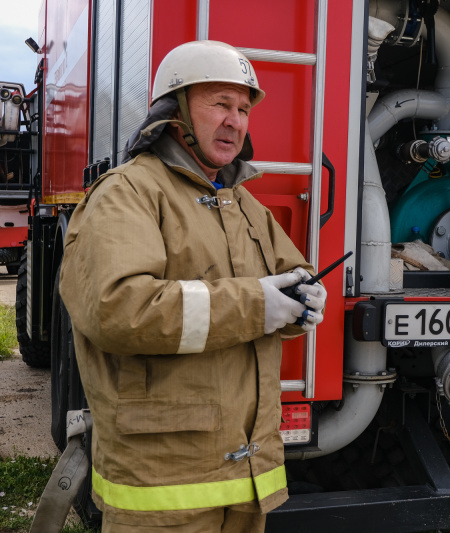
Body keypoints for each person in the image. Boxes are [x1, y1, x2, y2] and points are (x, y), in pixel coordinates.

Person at [59, 40, 326, 532]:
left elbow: (290, 277)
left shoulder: (245, 204)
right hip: (164, 489)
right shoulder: (127, 194)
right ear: (173, 113)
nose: (235, 121)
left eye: (243, 109)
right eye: (220, 104)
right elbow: (118, 309)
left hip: (247, 482)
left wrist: (304, 300)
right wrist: (258, 305)